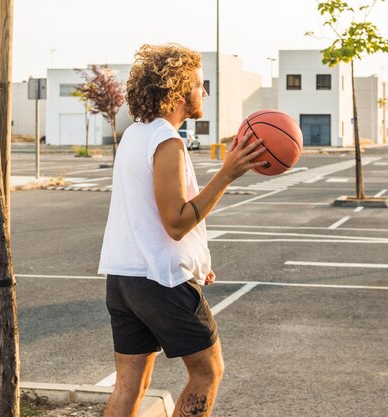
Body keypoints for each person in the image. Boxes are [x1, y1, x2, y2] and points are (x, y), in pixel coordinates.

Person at [98, 43, 267, 417]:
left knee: (130, 386)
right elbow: (175, 222)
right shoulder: (167, 141)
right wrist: (227, 174)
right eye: (199, 85)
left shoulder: (135, 135)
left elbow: (146, 216)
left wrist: (196, 260)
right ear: (177, 90)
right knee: (208, 372)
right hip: (159, 282)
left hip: (124, 278)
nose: (204, 92)